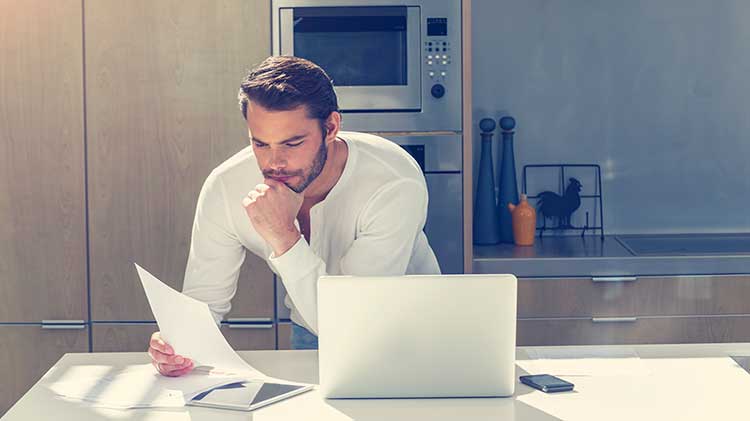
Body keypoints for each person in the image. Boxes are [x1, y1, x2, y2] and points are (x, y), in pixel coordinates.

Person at [147, 56, 440, 377]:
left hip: (407, 336)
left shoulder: (392, 181)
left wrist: (284, 237)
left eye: (293, 143)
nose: (274, 162)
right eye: (260, 143)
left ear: (330, 127)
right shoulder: (226, 185)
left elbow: (356, 324)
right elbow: (202, 305)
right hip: (309, 334)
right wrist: (179, 346)